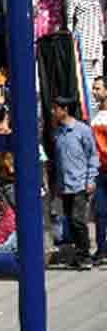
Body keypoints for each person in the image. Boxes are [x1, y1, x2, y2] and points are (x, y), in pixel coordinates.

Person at [52, 95, 96, 269]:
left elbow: (92, 155)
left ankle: (85, 256)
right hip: (65, 185)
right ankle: (79, 255)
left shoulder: (82, 130)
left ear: (65, 110)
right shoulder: (58, 133)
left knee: (78, 220)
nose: (53, 112)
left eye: (56, 109)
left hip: (80, 183)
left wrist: (90, 179)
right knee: (70, 221)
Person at [91, 78, 107, 264]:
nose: (94, 92)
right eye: (94, 88)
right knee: (100, 212)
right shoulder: (95, 115)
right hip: (100, 171)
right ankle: (101, 250)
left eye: (98, 88)